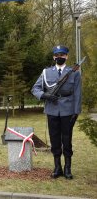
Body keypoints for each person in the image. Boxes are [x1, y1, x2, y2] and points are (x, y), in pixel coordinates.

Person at [31, 45, 81, 180]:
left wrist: (76, 112)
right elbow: (35, 89)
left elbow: (77, 93)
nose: (59, 57)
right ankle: (57, 167)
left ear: (66, 57)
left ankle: (67, 168)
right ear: (54, 57)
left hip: (68, 110)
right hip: (52, 110)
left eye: (62, 55)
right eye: (57, 55)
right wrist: (44, 95)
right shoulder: (46, 72)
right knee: (55, 139)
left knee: (67, 139)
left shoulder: (74, 72)